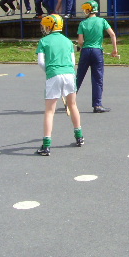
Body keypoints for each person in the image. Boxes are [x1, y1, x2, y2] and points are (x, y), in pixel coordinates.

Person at [36, 14, 84, 155]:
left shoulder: (44, 41)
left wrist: (50, 72)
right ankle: (79, 137)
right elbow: (73, 61)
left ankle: (46, 145)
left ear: (50, 26)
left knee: (50, 111)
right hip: (69, 74)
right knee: (73, 105)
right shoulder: (68, 41)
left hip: (54, 75)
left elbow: (40, 62)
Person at [76, 0, 119, 113]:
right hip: (97, 52)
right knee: (97, 78)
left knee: (79, 76)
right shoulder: (102, 21)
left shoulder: (83, 23)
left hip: (85, 51)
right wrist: (114, 50)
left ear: (89, 10)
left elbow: (80, 41)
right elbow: (112, 34)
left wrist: (82, 45)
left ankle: (70, 102)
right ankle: (97, 105)